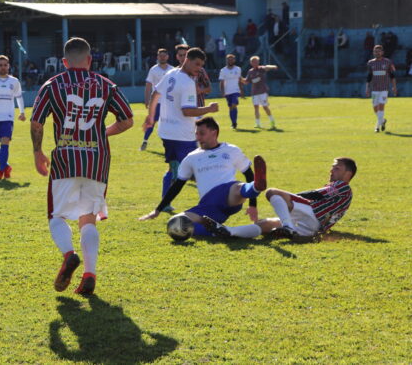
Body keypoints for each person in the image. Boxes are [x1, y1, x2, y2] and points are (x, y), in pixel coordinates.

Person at [31, 37, 134, 296]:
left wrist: (37, 152)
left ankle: (69, 254)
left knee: (56, 216)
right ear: (90, 60)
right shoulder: (106, 85)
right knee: (89, 219)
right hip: (96, 161)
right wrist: (101, 133)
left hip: (66, 158)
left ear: (64, 62)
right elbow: (127, 120)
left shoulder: (53, 85)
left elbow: (37, 122)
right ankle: (90, 273)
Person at [139, 117, 267, 239]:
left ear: (214, 132)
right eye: (196, 134)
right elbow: (177, 185)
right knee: (176, 224)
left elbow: (249, 175)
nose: (198, 138)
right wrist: (157, 210)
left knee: (237, 187)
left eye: (202, 133)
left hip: (229, 195)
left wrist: (252, 205)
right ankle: (219, 231)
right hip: (207, 205)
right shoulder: (191, 157)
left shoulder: (231, 150)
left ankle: (255, 187)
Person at [205, 158, 355, 241]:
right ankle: (229, 232)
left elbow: (315, 195)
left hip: (314, 214)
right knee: (265, 224)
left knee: (272, 192)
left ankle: (288, 227)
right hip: (313, 228)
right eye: (332, 167)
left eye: (337, 168)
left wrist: (288, 197)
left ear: (348, 174)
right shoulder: (342, 190)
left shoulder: (342, 186)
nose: (331, 170)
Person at [144, 47, 219, 212]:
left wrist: (150, 117)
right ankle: (210, 204)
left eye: (201, 66)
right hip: (181, 135)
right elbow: (187, 111)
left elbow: (155, 95)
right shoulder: (187, 83)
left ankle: (165, 202)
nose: (199, 69)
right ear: (187, 60)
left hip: (166, 131)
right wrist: (209, 109)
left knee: (175, 167)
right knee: (199, 167)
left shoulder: (171, 74)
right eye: (197, 64)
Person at [139, 48, 174, 151]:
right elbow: (148, 85)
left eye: (164, 55)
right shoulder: (153, 70)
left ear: (167, 57)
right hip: (157, 102)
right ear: (157, 57)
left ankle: (170, 144)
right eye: (160, 55)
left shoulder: (172, 70)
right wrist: (147, 99)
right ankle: (145, 141)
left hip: (169, 103)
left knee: (170, 122)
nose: (162, 57)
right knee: (152, 121)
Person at [365, 44, 397, 132]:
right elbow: (369, 76)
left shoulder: (388, 62)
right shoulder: (370, 63)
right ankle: (382, 121)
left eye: (379, 51)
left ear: (382, 52)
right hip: (374, 89)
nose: (377, 53)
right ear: (373, 52)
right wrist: (367, 88)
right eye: (375, 51)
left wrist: (394, 87)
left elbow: (392, 76)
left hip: (384, 89)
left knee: (381, 106)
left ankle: (377, 127)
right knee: (375, 107)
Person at [243, 56, 277, 129]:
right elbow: (246, 81)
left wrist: (273, 67)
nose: (254, 63)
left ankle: (272, 121)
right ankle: (258, 123)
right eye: (253, 62)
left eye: (256, 61)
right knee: (256, 108)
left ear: (258, 62)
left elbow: (267, 67)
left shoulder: (261, 69)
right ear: (251, 63)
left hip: (262, 91)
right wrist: (239, 79)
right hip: (254, 92)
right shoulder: (250, 71)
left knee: (265, 107)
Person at [218, 54, 244, 129]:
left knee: (233, 104)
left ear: (234, 60)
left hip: (236, 91)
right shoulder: (223, 70)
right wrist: (222, 92)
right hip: (227, 92)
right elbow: (222, 82)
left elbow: (239, 80)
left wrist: (242, 90)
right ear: (226, 60)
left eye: (232, 59)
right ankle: (233, 122)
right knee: (231, 107)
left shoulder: (238, 69)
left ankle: (234, 123)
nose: (230, 61)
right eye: (229, 59)